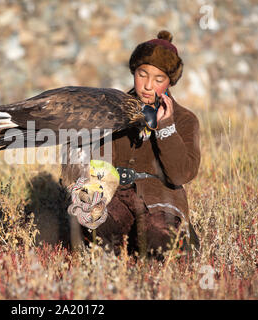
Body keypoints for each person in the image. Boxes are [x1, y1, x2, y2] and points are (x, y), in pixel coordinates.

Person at [85, 30, 201, 259]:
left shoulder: (185, 120)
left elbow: (179, 175)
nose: (148, 86)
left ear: (170, 82)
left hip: (161, 201)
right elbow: (96, 165)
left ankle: (175, 243)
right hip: (114, 194)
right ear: (133, 72)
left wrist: (166, 127)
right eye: (142, 74)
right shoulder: (111, 111)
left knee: (157, 236)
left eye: (159, 79)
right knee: (94, 222)